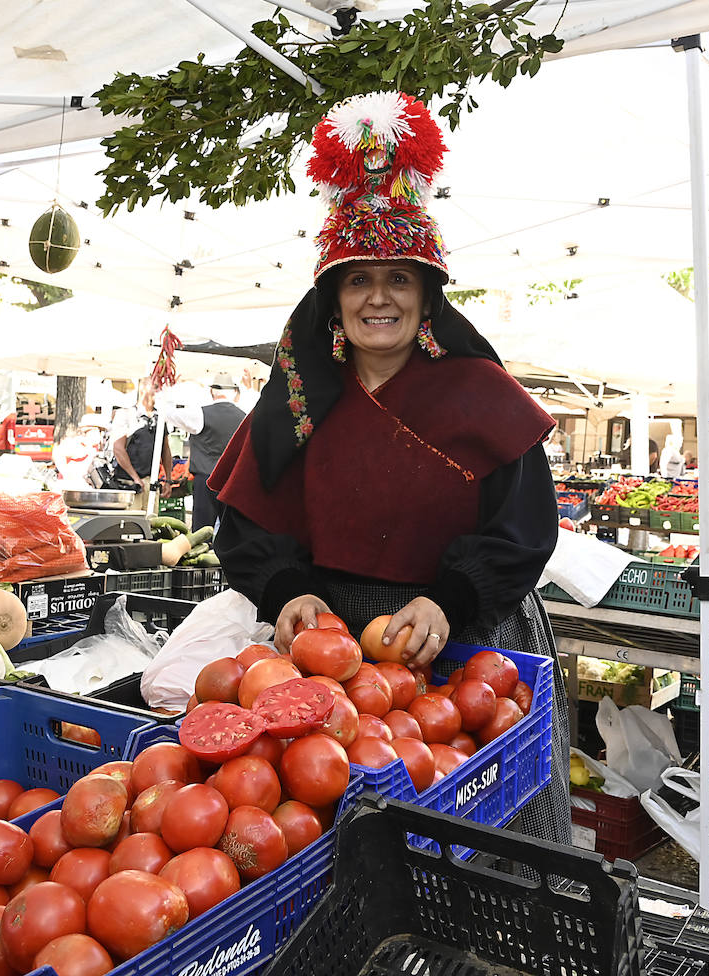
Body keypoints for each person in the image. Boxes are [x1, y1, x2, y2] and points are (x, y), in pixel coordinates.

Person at [208, 90, 569, 845]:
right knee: (348, 834)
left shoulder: (481, 393)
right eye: (358, 279)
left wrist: (451, 598)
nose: (379, 297)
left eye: (399, 279)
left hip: (467, 638)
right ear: (333, 300)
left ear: (426, 294)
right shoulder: (297, 399)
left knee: (490, 830)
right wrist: (287, 590)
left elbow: (524, 528)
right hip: (341, 658)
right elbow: (244, 519)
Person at [160, 372, 247, 530]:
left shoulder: (200, 414)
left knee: (202, 530)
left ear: (212, 392)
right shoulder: (245, 417)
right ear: (235, 393)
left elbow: (167, 414)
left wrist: (170, 392)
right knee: (232, 531)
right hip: (233, 480)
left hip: (206, 480)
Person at [111, 388, 173, 490]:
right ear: (143, 391)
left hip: (151, 480)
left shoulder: (159, 418)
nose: (157, 393)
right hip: (128, 482)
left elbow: (165, 449)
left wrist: (168, 480)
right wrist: (135, 478)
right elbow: (118, 449)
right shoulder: (126, 414)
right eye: (155, 388)